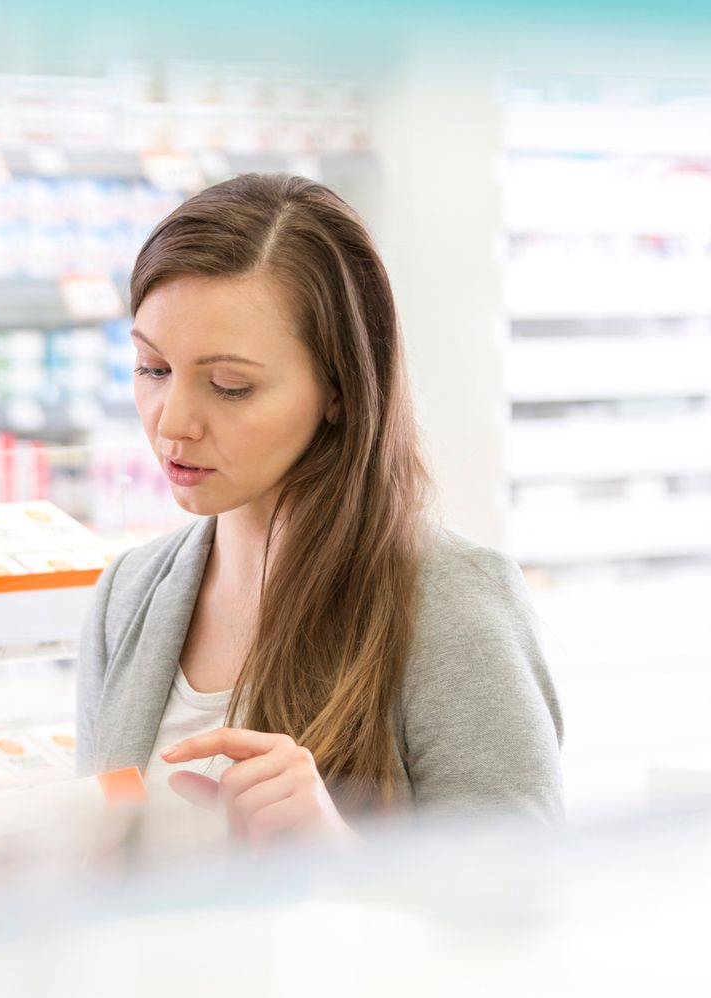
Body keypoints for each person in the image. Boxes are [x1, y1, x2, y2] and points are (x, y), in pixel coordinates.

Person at [77, 173, 563, 848]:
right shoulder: (127, 597)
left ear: (339, 388)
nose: (173, 424)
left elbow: (522, 911)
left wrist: (336, 852)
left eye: (230, 386)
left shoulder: (452, 605)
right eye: (153, 369)